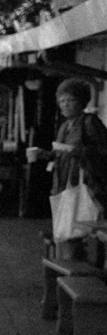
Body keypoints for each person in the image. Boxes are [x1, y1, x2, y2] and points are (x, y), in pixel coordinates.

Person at [28, 78, 107, 258]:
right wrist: (44, 154)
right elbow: (59, 154)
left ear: (81, 102)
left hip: (85, 185)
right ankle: (65, 268)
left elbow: (103, 149)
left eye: (70, 101)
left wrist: (79, 151)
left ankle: (79, 270)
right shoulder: (64, 126)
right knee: (66, 230)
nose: (64, 105)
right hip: (64, 185)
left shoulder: (90, 122)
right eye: (62, 101)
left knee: (81, 230)